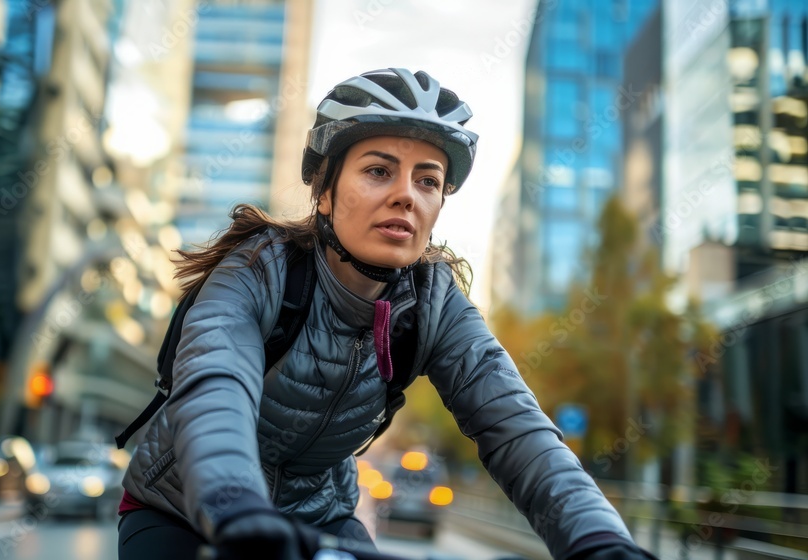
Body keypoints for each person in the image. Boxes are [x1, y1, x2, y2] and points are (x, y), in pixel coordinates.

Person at [118, 68, 656, 560]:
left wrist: (599, 541)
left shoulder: (433, 306)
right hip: (185, 507)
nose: (406, 196)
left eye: (427, 180)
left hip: (319, 519)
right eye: (379, 171)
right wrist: (236, 505)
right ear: (324, 194)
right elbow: (215, 389)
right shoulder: (260, 271)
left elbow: (518, 431)